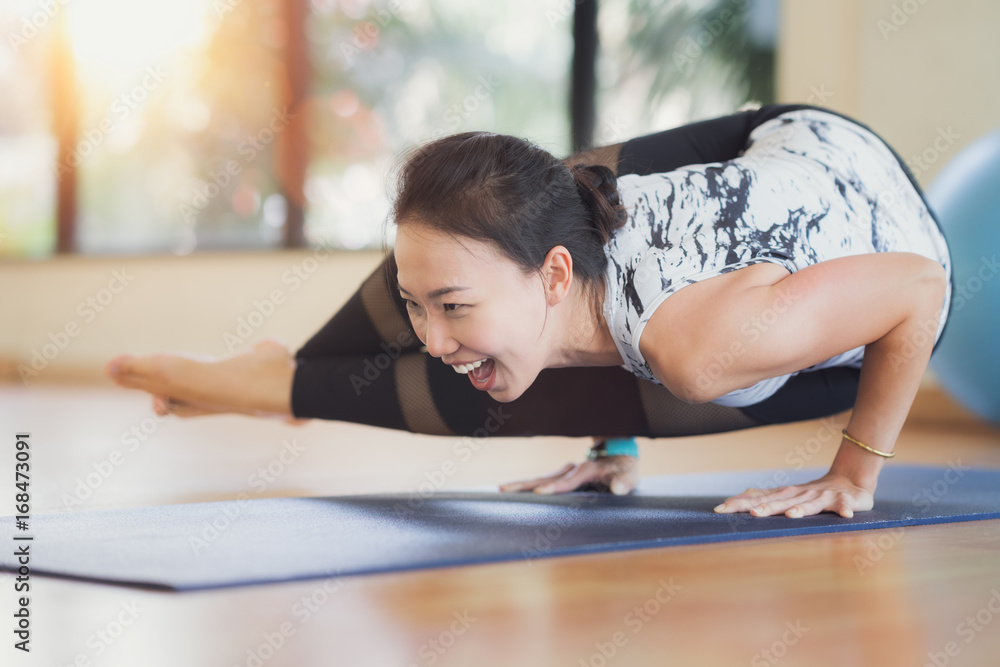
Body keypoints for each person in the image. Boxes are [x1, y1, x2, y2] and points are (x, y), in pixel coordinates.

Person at [104, 102, 952, 520]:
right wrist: (609, 438)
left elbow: (919, 287)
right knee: (489, 223)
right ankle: (279, 372)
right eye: (415, 308)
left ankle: (275, 385)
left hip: (872, 220)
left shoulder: (704, 347)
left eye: (449, 308)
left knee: (512, 343)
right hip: (768, 156)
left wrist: (854, 473)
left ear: (556, 275)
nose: (428, 337)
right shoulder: (569, 273)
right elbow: (606, 298)